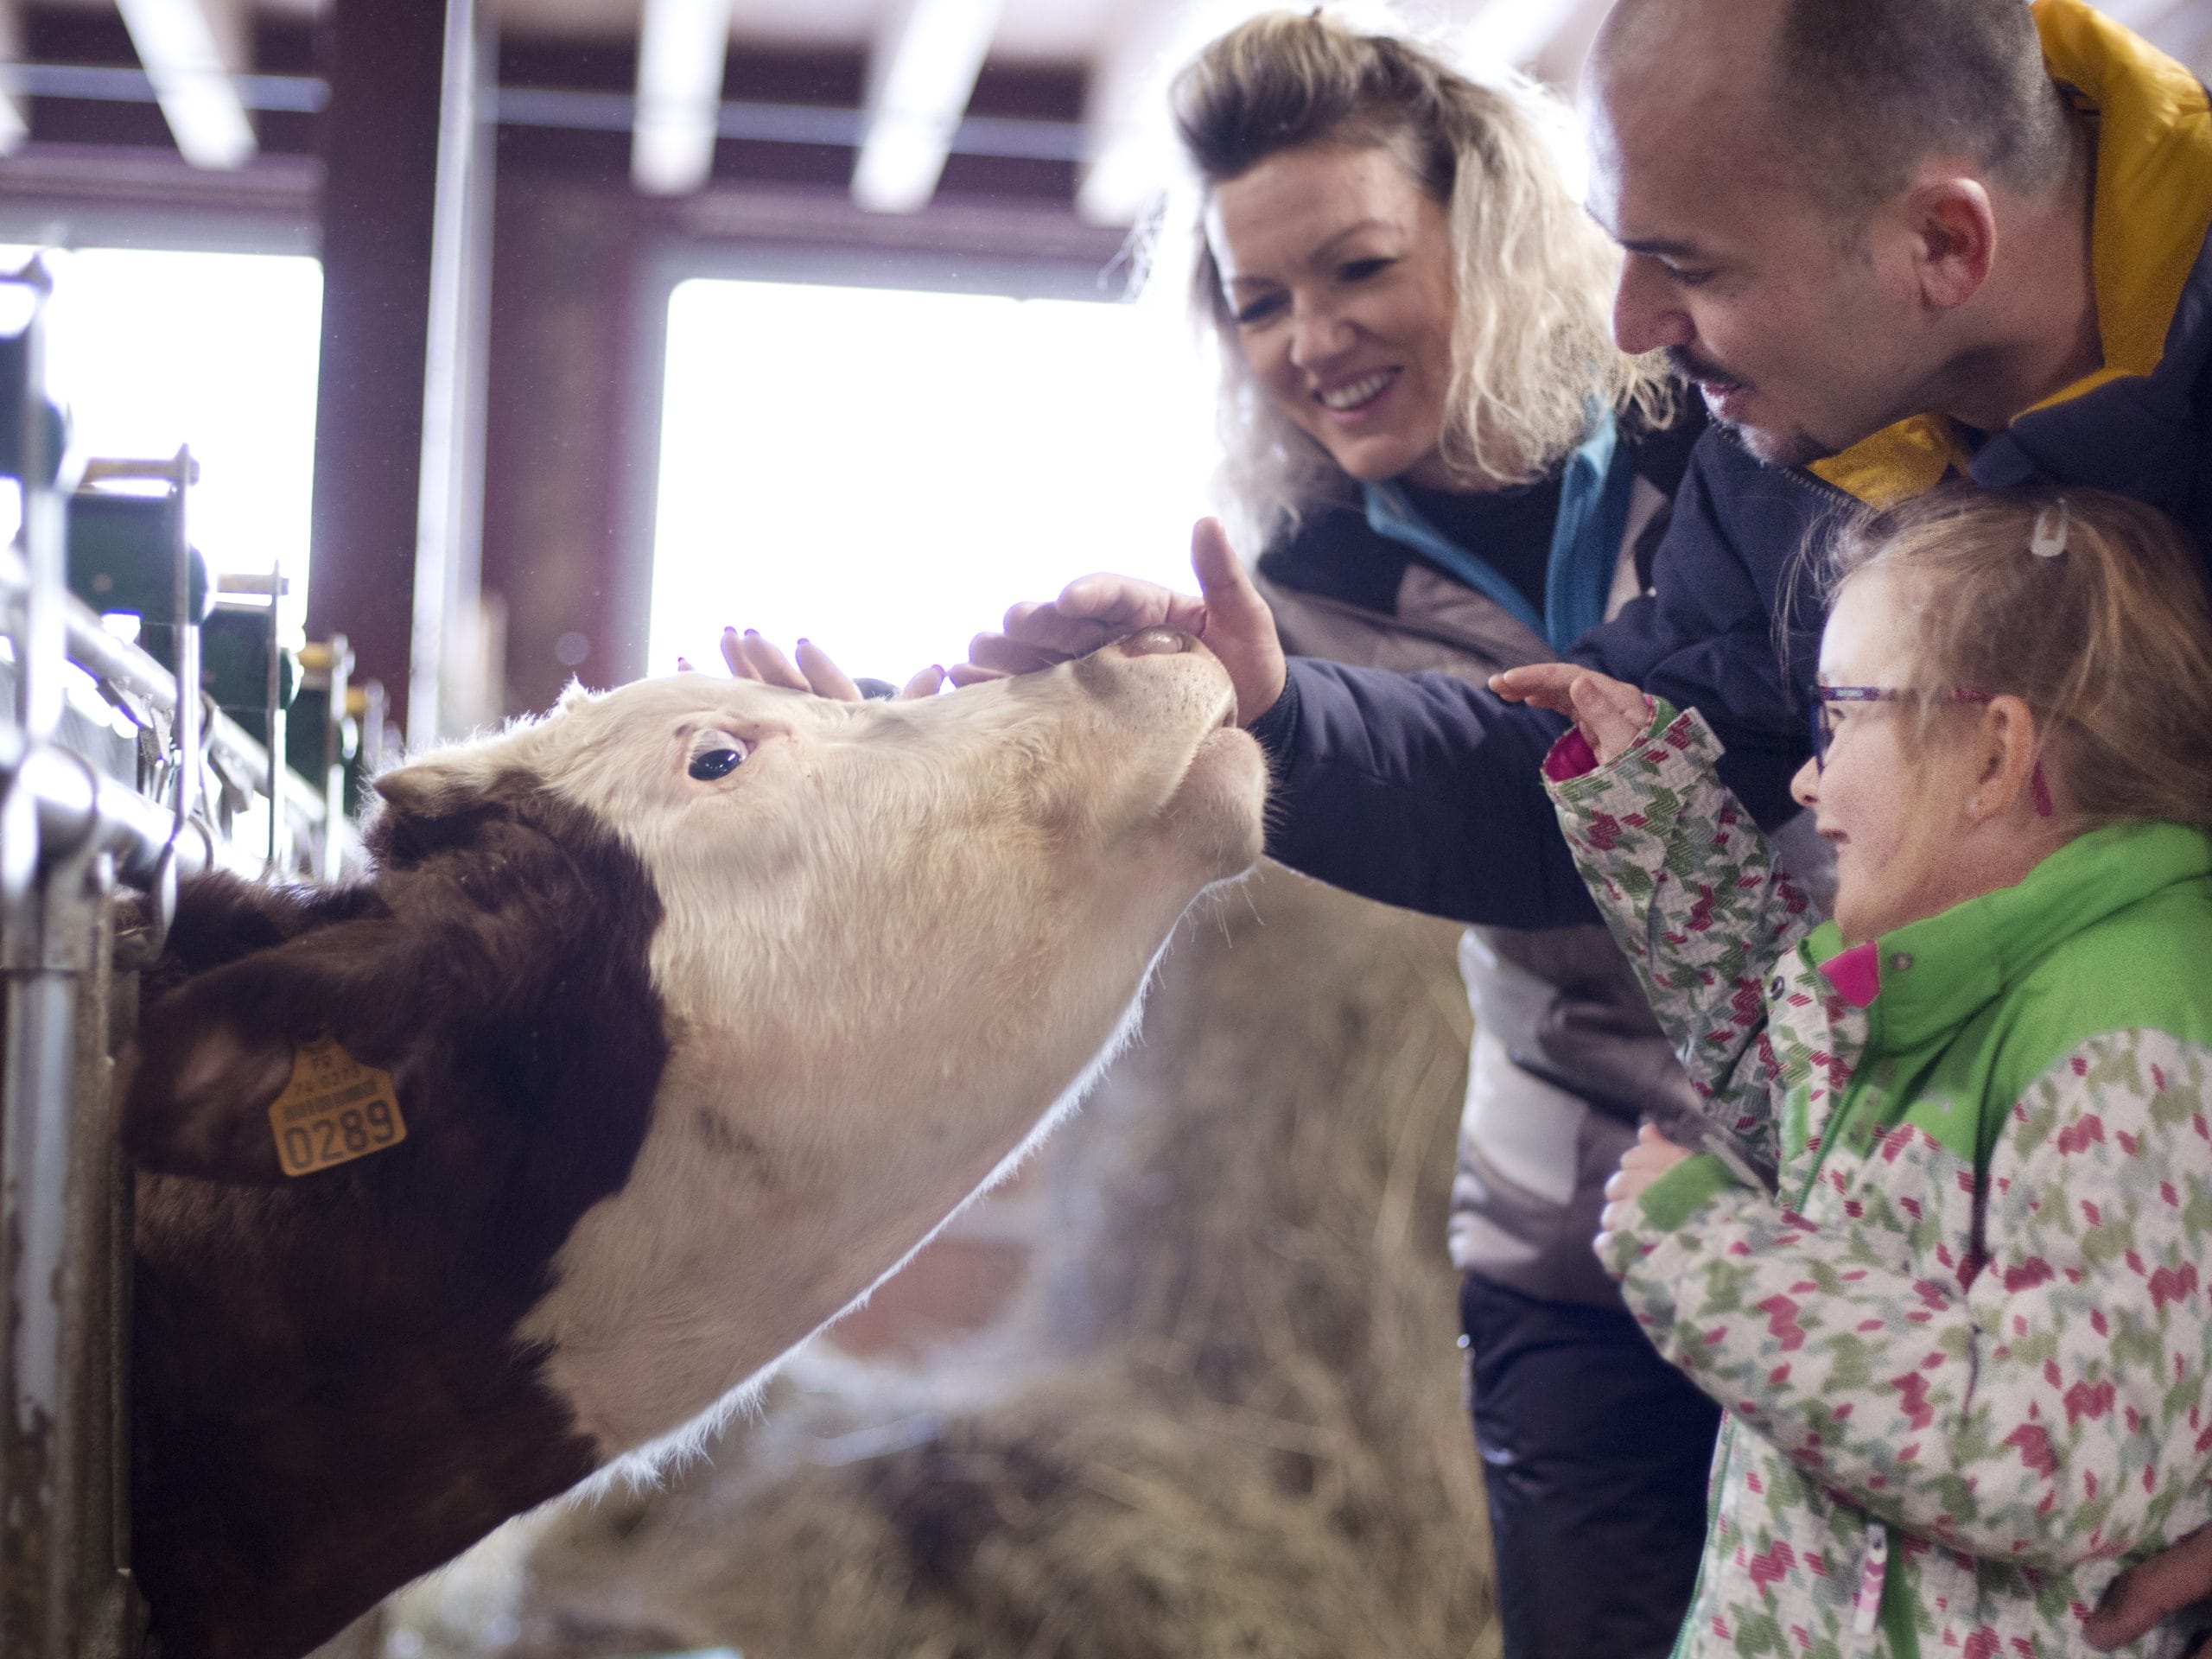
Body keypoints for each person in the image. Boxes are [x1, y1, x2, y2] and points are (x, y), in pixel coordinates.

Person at [1487, 483, 2212, 1656]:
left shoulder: (2128, 1034)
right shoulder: (1964, 974)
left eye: (1840, 718)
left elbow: (2050, 1450)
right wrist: (1648, 804)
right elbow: (1788, 1075)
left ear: (1993, 754)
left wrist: (1714, 1257)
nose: (1807, 783)